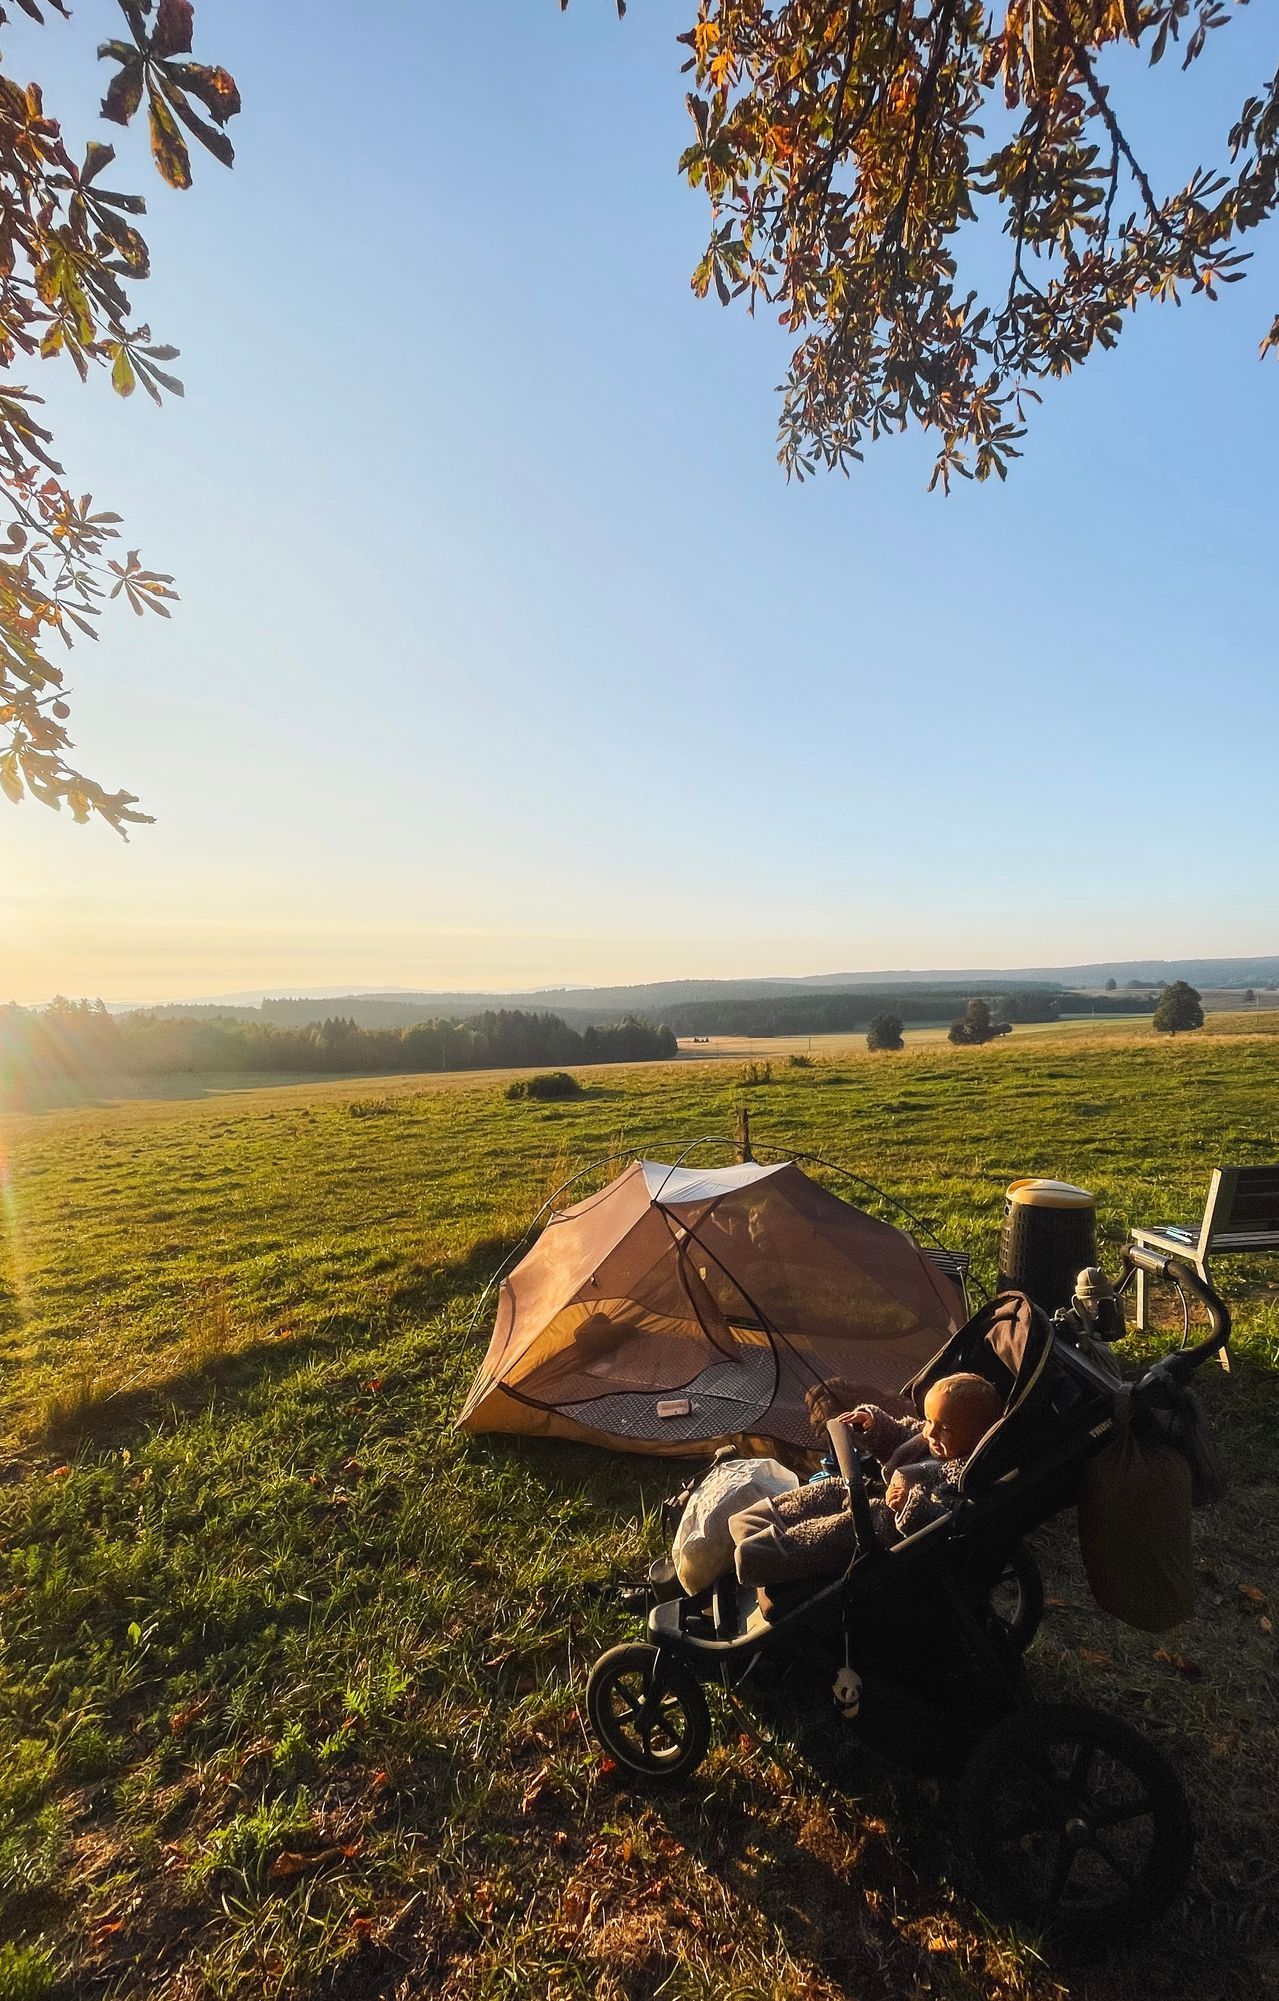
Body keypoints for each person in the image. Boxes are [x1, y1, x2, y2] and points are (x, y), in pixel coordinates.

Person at [730, 1372, 1003, 1585]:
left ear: (979, 1437)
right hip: (877, 1493)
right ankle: (761, 1519)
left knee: (836, 1531)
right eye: (930, 1420)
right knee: (833, 1490)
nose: (931, 1433)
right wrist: (872, 1424)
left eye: (945, 1429)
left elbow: (944, 1517)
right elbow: (901, 1435)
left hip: (887, 1528)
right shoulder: (928, 1439)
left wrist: (910, 1504)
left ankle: (768, 1555)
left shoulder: (961, 1473)